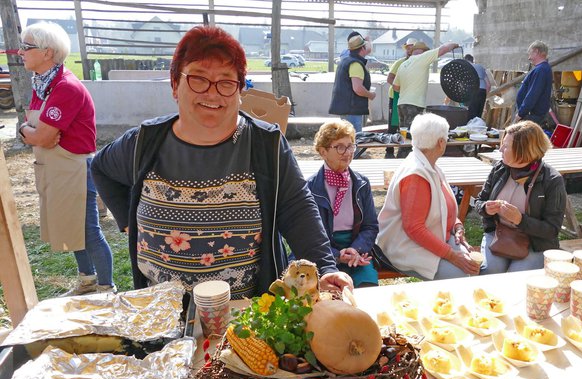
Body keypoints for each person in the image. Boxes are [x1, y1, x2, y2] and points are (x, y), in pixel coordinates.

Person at [91, 25, 352, 299]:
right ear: (175, 85)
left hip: (247, 317)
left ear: (240, 91)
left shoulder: (267, 145)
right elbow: (101, 169)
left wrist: (324, 268)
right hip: (160, 314)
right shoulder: (142, 142)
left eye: (227, 82)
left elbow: (297, 210)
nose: (212, 93)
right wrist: (127, 221)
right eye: (198, 78)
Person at [18, 22, 115, 295]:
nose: (20, 53)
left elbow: (44, 137)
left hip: (74, 167)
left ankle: (106, 288)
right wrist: (27, 130)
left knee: (87, 229)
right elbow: (35, 133)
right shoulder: (42, 86)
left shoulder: (65, 88)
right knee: (69, 225)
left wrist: (30, 133)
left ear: (48, 52)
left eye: (27, 47)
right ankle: (87, 281)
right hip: (53, 166)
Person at [377, 113, 480, 281]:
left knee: (473, 267)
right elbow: (414, 228)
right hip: (405, 247)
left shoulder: (428, 164)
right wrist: (452, 255)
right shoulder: (416, 175)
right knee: (463, 276)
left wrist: (457, 226)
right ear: (441, 143)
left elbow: (442, 204)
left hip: (435, 238)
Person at [475, 121, 567, 274]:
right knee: (490, 272)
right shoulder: (500, 168)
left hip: (534, 242)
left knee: (515, 278)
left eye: (506, 146)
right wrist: (486, 208)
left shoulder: (552, 180)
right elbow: (479, 201)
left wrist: (520, 220)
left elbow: (552, 229)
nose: (500, 149)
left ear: (523, 151)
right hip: (499, 234)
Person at [306, 121, 379, 287]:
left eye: (350, 146)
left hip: (356, 253)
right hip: (322, 255)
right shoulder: (309, 188)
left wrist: (355, 250)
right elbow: (309, 236)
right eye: (339, 147)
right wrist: (337, 255)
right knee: (329, 298)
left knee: (367, 289)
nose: (347, 153)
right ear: (323, 151)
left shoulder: (360, 183)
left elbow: (370, 226)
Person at [393, 41, 459, 158]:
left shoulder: (403, 64)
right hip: (414, 105)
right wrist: (453, 45)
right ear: (422, 52)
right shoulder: (422, 58)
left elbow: (395, 87)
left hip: (401, 104)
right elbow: (442, 49)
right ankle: (407, 162)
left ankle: (400, 159)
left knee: (404, 137)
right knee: (413, 137)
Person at [329, 34, 376, 134]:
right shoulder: (356, 64)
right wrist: (370, 95)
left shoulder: (345, 61)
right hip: (353, 109)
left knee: (348, 137)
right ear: (362, 48)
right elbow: (358, 88)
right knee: (354, 140)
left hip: (345, 107)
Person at [384, 37, 416, 159]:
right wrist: (399, 88)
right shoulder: (399, 63)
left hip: (410, 98)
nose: (410, 50)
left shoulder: (418, 64)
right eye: (408, 48)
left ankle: (405, 150)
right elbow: (390, 79)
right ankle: (389, 151)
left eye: (412, 47)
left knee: (407, 125)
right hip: (396, 97)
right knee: (393, 126)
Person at [515, 40, 553, 124]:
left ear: (536, 51)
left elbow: (533, 94)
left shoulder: (541, 70)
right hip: (531, 114)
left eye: (530, 53)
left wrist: (521, 113)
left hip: (532, 116)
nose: (529, 58)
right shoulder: (542, 69)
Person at [464, 54, 495, 121]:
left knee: (471, 116)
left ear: (465, 60)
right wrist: (484, 96)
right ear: (472, 60)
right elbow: (488, 85)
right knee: (478, 116)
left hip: (473, 91)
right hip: (482, 91)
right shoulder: (481, 67)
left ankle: (469, 130)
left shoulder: (466, 67)